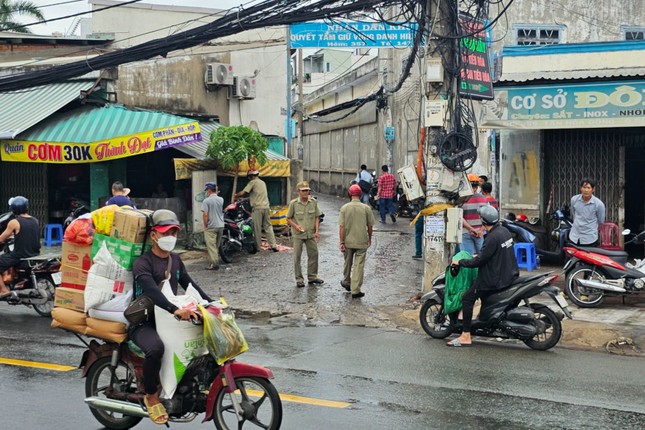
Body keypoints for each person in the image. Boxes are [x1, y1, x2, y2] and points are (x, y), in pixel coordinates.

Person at [131, 209, 213, 425]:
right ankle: (151, 395)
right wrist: (174, 309)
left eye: (174, 233)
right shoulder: (142, 263)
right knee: (156, 348)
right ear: (154, 235)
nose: (171, 238)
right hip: (144, 322)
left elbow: (190, 285)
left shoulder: (175, 260)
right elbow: (152, 291)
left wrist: (212, 304)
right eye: (166, 233)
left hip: (168, 320)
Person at [447, 205, 518, 347]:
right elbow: (491, 254)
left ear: (483, 221)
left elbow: (479, 262)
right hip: (509, 274)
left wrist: (460, 262)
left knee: (467, 298)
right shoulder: (504, 231)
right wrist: (479, 255)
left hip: (493, 279)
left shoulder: (492, 237)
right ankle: (484, 320)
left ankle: (466, 335)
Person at [0, 196, 40, 300]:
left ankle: (4, 290)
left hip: (20, 256)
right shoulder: (35, 220)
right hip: (34, 254)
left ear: (13, 209)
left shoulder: (14, 222)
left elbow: (1, 238)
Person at [339, 184, 375, 298]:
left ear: (349, 194)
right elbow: (370, 226)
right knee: (358, 266)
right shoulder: (366, 208)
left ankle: (346, 281)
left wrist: (341, 242)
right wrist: (369, 238)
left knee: (347, 263)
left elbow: (342, 227)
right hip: (361, 241)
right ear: (360, 195)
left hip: (348, 241)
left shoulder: (344, 208)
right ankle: (355, 290)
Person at [286, 181, 324, 288]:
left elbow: (317, 216)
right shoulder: (294, 204)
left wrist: (317, 231)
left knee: (314, 254)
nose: (306, 192)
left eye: (307, 190)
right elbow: (288, 218)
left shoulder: (313, 202)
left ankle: (312, 277)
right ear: (298, 192)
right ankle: (299, 279)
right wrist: (296, 226)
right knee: (297, 257)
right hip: (298, 234)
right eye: (303, 191)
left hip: (310, 234)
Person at [234, 171, 279, 252]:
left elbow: (243, 192)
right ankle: (273, 245)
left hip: (257, 208)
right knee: (268, 226)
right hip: (266, 207)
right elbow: (256, 196)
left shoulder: (252, 182)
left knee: (257, 228)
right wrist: (244, 199)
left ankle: (258, 247)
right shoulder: (262, 183)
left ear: (251, 176)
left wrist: (235, 196)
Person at [569, 178, 605, 246]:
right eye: (584, 187)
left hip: (589, 239)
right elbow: (574, 215)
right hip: (574, 237)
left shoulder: (599, 204)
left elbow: (601, 221)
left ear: (593, 189)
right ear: (580, 188)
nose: (586, 190)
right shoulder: (574, 200)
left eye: (588, 188)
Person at [461, 173, 488, 256]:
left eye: (475, 187)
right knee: (482, 258)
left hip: (469, 233)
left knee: (468, 258)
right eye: (474, 186)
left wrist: (474, 229)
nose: (475, 189)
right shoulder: (483, 198)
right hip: (477, 233)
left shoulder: (461, 198)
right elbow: (488, 217)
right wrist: (480, 230)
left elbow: (459, 217)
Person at [202, 182, 224, 270]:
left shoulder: (206, 201)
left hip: (211, 226)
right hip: (220, 225)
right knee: (216, 245)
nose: (206, 192)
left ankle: (214, 264)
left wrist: (205, 224)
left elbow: (205, 214)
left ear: (209, 190)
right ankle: (214, 262)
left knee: (211, 246)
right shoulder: (221, 199)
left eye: (207, 190)